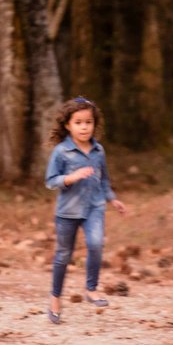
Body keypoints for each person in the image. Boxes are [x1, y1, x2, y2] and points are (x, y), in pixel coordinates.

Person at [44, 96, 127, 323]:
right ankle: (55, 298)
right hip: (67, 211)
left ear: (94, 124)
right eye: (78, 122)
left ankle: (91, 289)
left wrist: (112, 199)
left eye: (88, 122)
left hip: (94, 207)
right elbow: (50, 181)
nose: (84, 127)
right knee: (63, 256)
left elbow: (104, 180)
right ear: (68, 125)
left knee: (96, 244)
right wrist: (71, 177)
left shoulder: (99, 151)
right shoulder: (61, 152)